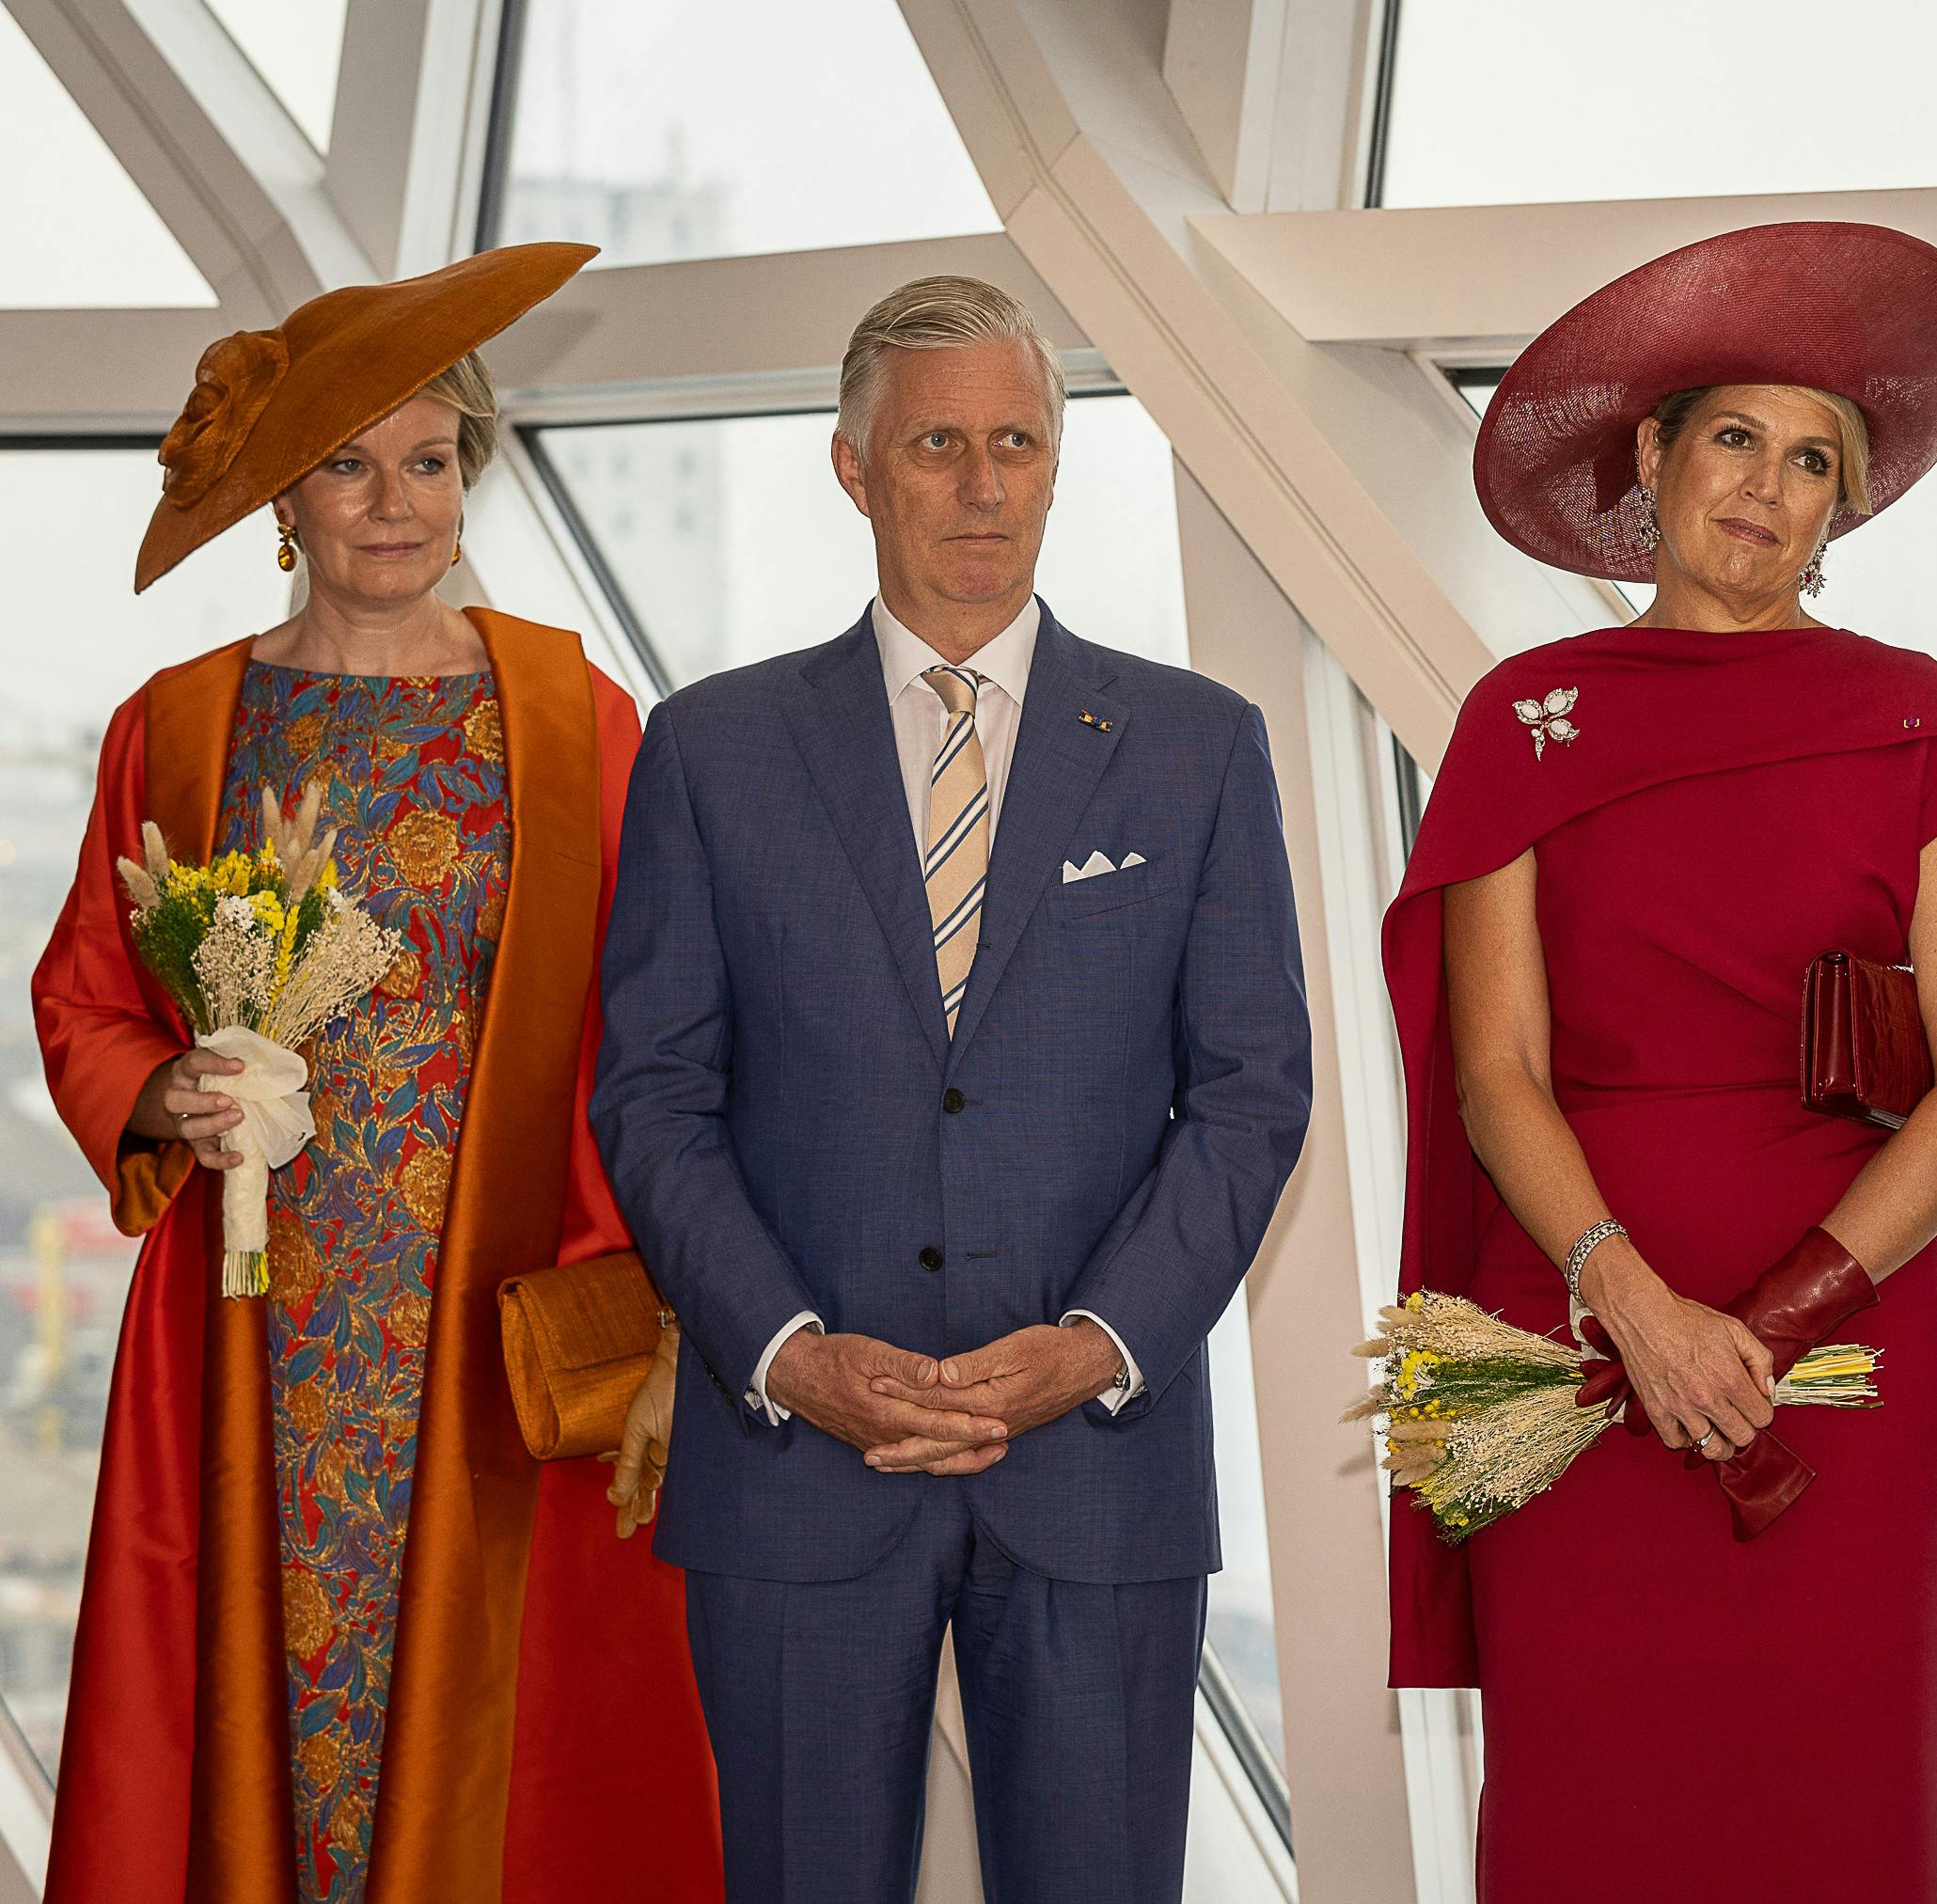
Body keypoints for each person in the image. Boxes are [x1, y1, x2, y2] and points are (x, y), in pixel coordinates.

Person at [591, 274, 1313, 1904]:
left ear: (1057, 462)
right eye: (936, 445)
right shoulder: (708, 748)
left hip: (1096, 1464)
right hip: (790, 1464)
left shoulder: (1200, 744)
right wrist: (786, 1351)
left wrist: (1095, 1345)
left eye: (1016, 442)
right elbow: (652, 1096)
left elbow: (1257, 1092)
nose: (983, 485)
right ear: (854, 467)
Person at [31, 246, 722, 1904]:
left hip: (506, 1304)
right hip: (255, 1313)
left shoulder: (572, 713)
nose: (394, 502)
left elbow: (670, 1023)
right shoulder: (183, 724)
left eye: (429, 457)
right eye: (349, 462)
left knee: (524, 1745)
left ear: (471, 470)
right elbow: (81, 991)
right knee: (263, 1693)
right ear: (287, 492)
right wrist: (166, 1088)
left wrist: (676, 1300)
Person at [1381, 221, 1937, 1899]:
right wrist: (1642, 1310)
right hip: (1572, 1356)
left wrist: (1772, 1321)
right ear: (1651, 456)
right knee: (1581, 1810)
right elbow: (1492, 1071)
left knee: (1827, 1806)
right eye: (1733, 435)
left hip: (1844, 1375)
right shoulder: (1521, 717)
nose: (1765, 485)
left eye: (1810, 458)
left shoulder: (1920, 718)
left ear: (1842, 505)